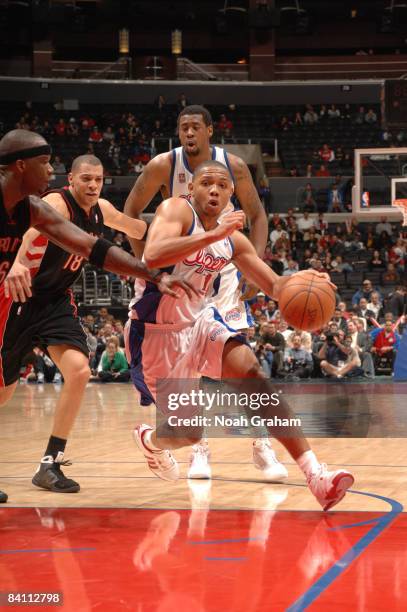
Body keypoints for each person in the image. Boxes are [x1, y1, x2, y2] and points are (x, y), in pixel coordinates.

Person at [126, 160, 354, 511]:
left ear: (232, 193)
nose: (214, 189)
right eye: (206, 183)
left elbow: (274, 285)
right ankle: (151, 442)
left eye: (222, 184)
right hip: (155, 334)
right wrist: (212, 235)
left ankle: (315, 475)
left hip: (200, 323)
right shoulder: (175, 209)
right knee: (188, 434)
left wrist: (305, 280)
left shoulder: (232, 240)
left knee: (251, 373)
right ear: (192, 189)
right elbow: (152, 255)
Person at [0, 132, 195, 503]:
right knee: (3, 393)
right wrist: (18, 265)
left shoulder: (99, 209)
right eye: (85, 179)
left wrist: (176, 228)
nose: (92, 185)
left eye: (98, 179)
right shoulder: (54, 201)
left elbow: (131, 231)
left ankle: (50, 463)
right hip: (21, 299)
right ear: (70, 180)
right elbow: (28, 236)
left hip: (55, 301)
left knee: (79, 370)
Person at [123, 105, 284, 481]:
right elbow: (132, 211)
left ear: (210, 131)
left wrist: (250, 265)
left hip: (221, 267)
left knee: (240, 362)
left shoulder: (234, 166)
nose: (189, 134)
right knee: (189, 367)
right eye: (183, 128)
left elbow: (257, 215)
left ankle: (261, 444)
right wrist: (144, 268)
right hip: (177, 268)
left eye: (196, 127)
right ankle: (198, 448)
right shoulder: (164, 165)